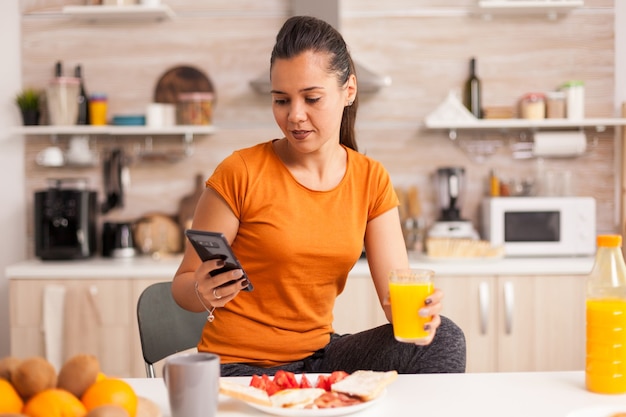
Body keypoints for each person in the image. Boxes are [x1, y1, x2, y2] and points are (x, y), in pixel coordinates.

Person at [172, 15, 466, 376]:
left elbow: (396, 302)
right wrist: (201, 291)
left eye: (312, 98)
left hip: (319, 358)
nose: (295, 116)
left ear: (349, 90)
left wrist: (420, 314)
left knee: (445, 337)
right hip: (240, 366)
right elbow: (182, 286)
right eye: (281, 100)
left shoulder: (370, 178)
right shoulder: (241, 172)